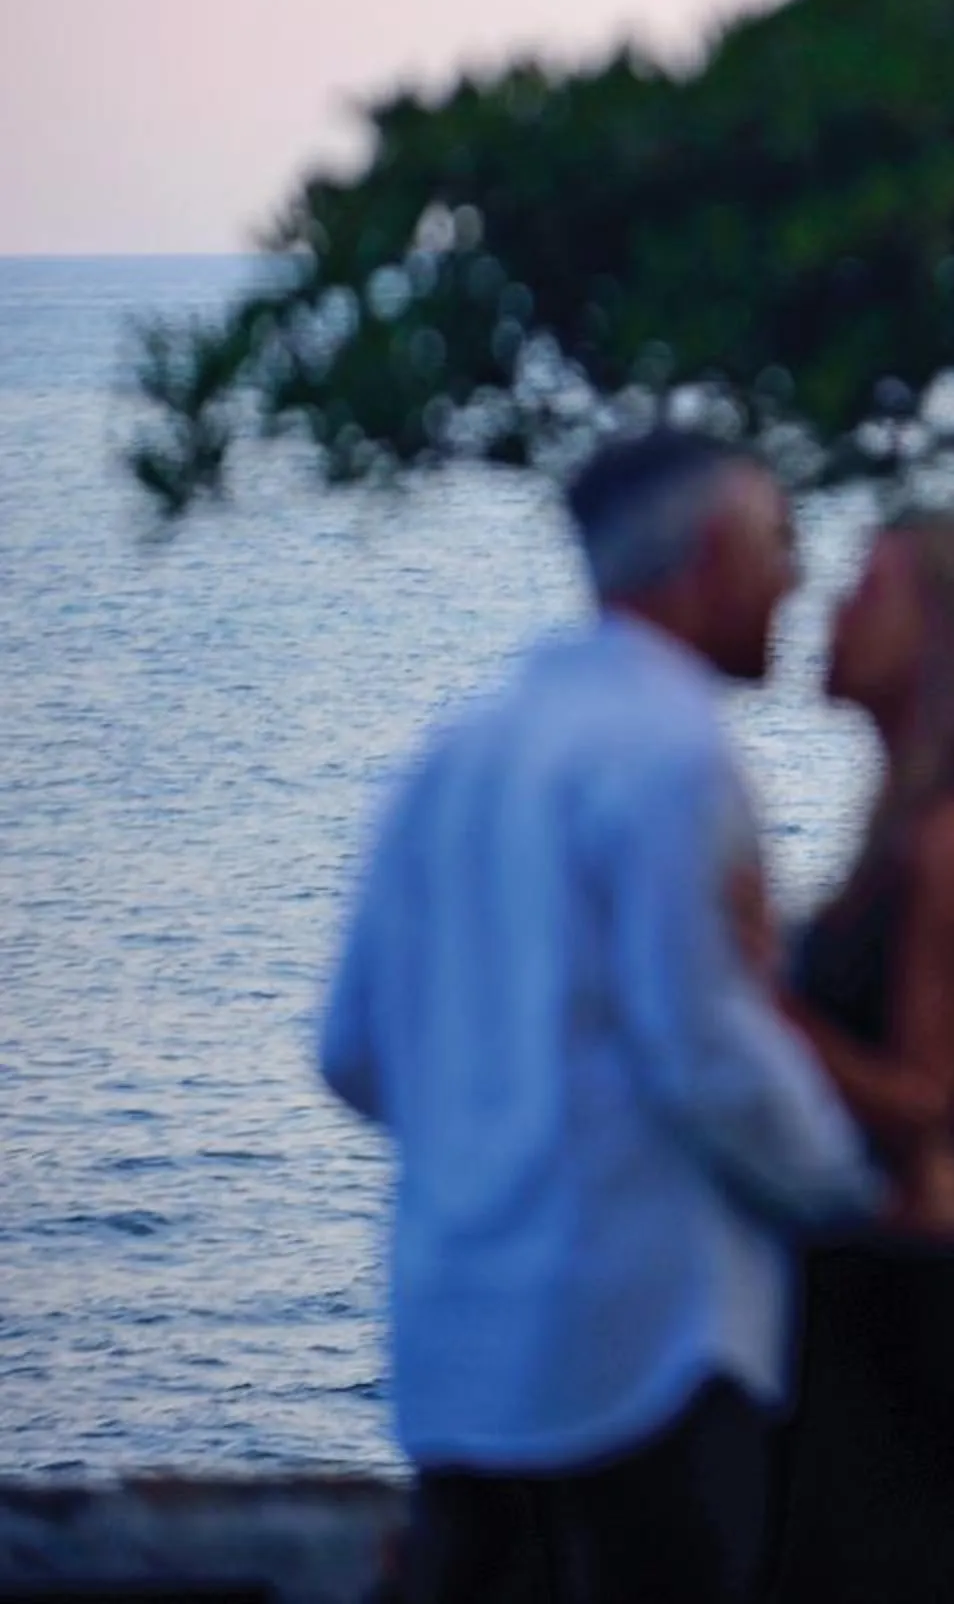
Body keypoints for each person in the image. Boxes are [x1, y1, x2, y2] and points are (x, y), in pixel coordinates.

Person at [319, 430, 883, 1604]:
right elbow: (706, 1051)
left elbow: (353, 1049)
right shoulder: (675, 753)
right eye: (781, 539)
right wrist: (851, 1186)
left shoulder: (459, 749)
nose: (796, 576)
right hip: (644, 1353)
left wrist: (500, 1127)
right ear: (714, 552)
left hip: (455, 1353)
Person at [761, 514, 954, 1604]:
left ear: (939, 636)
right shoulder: (903, 822)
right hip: (868, 1275)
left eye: (866, 591)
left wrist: (758, 1003)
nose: (830, 611)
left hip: (912, 1301)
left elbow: (924, 1100)